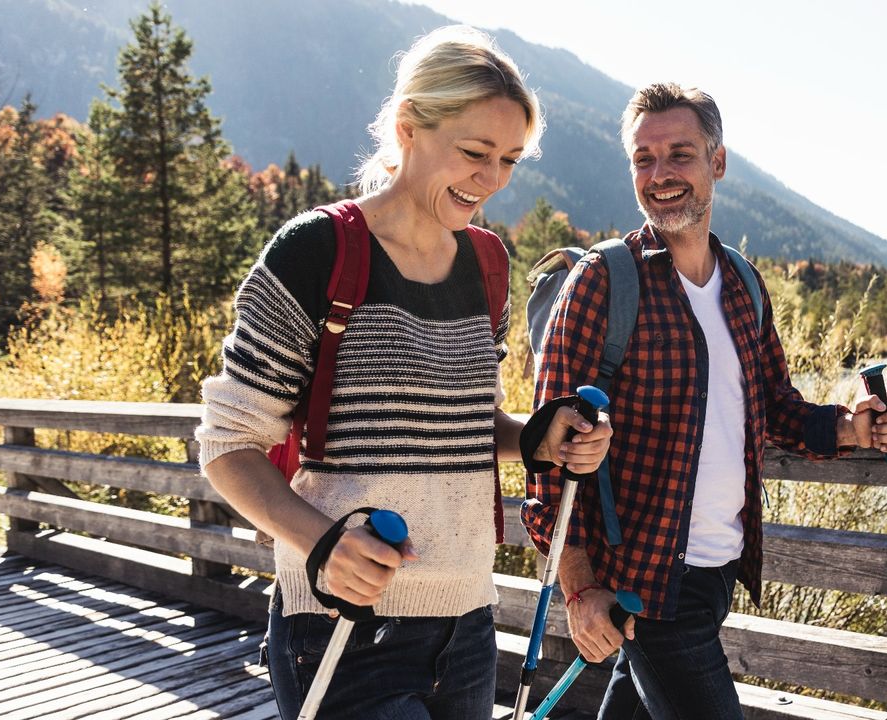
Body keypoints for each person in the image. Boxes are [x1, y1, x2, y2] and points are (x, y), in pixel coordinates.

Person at [196, 26, 611, 720]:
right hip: (341, 625)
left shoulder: (487, 266)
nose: (493, 180)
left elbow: (462, 428)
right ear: (408, 127)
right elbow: (226, 446)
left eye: (509, 159)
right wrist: (323, 545)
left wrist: (538, 438)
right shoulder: (317, 250)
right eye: (476, 153)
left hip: (469, 622)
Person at [521, 82, 887, 719]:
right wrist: (579, 585)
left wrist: (851, 427)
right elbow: (547, 456)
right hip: (645, 585)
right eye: (644, 159)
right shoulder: (603, 281)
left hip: (717, 571)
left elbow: (774, 405)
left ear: (717, 163)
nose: (661, 174)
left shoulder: (743, 285)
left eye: (680, 154)